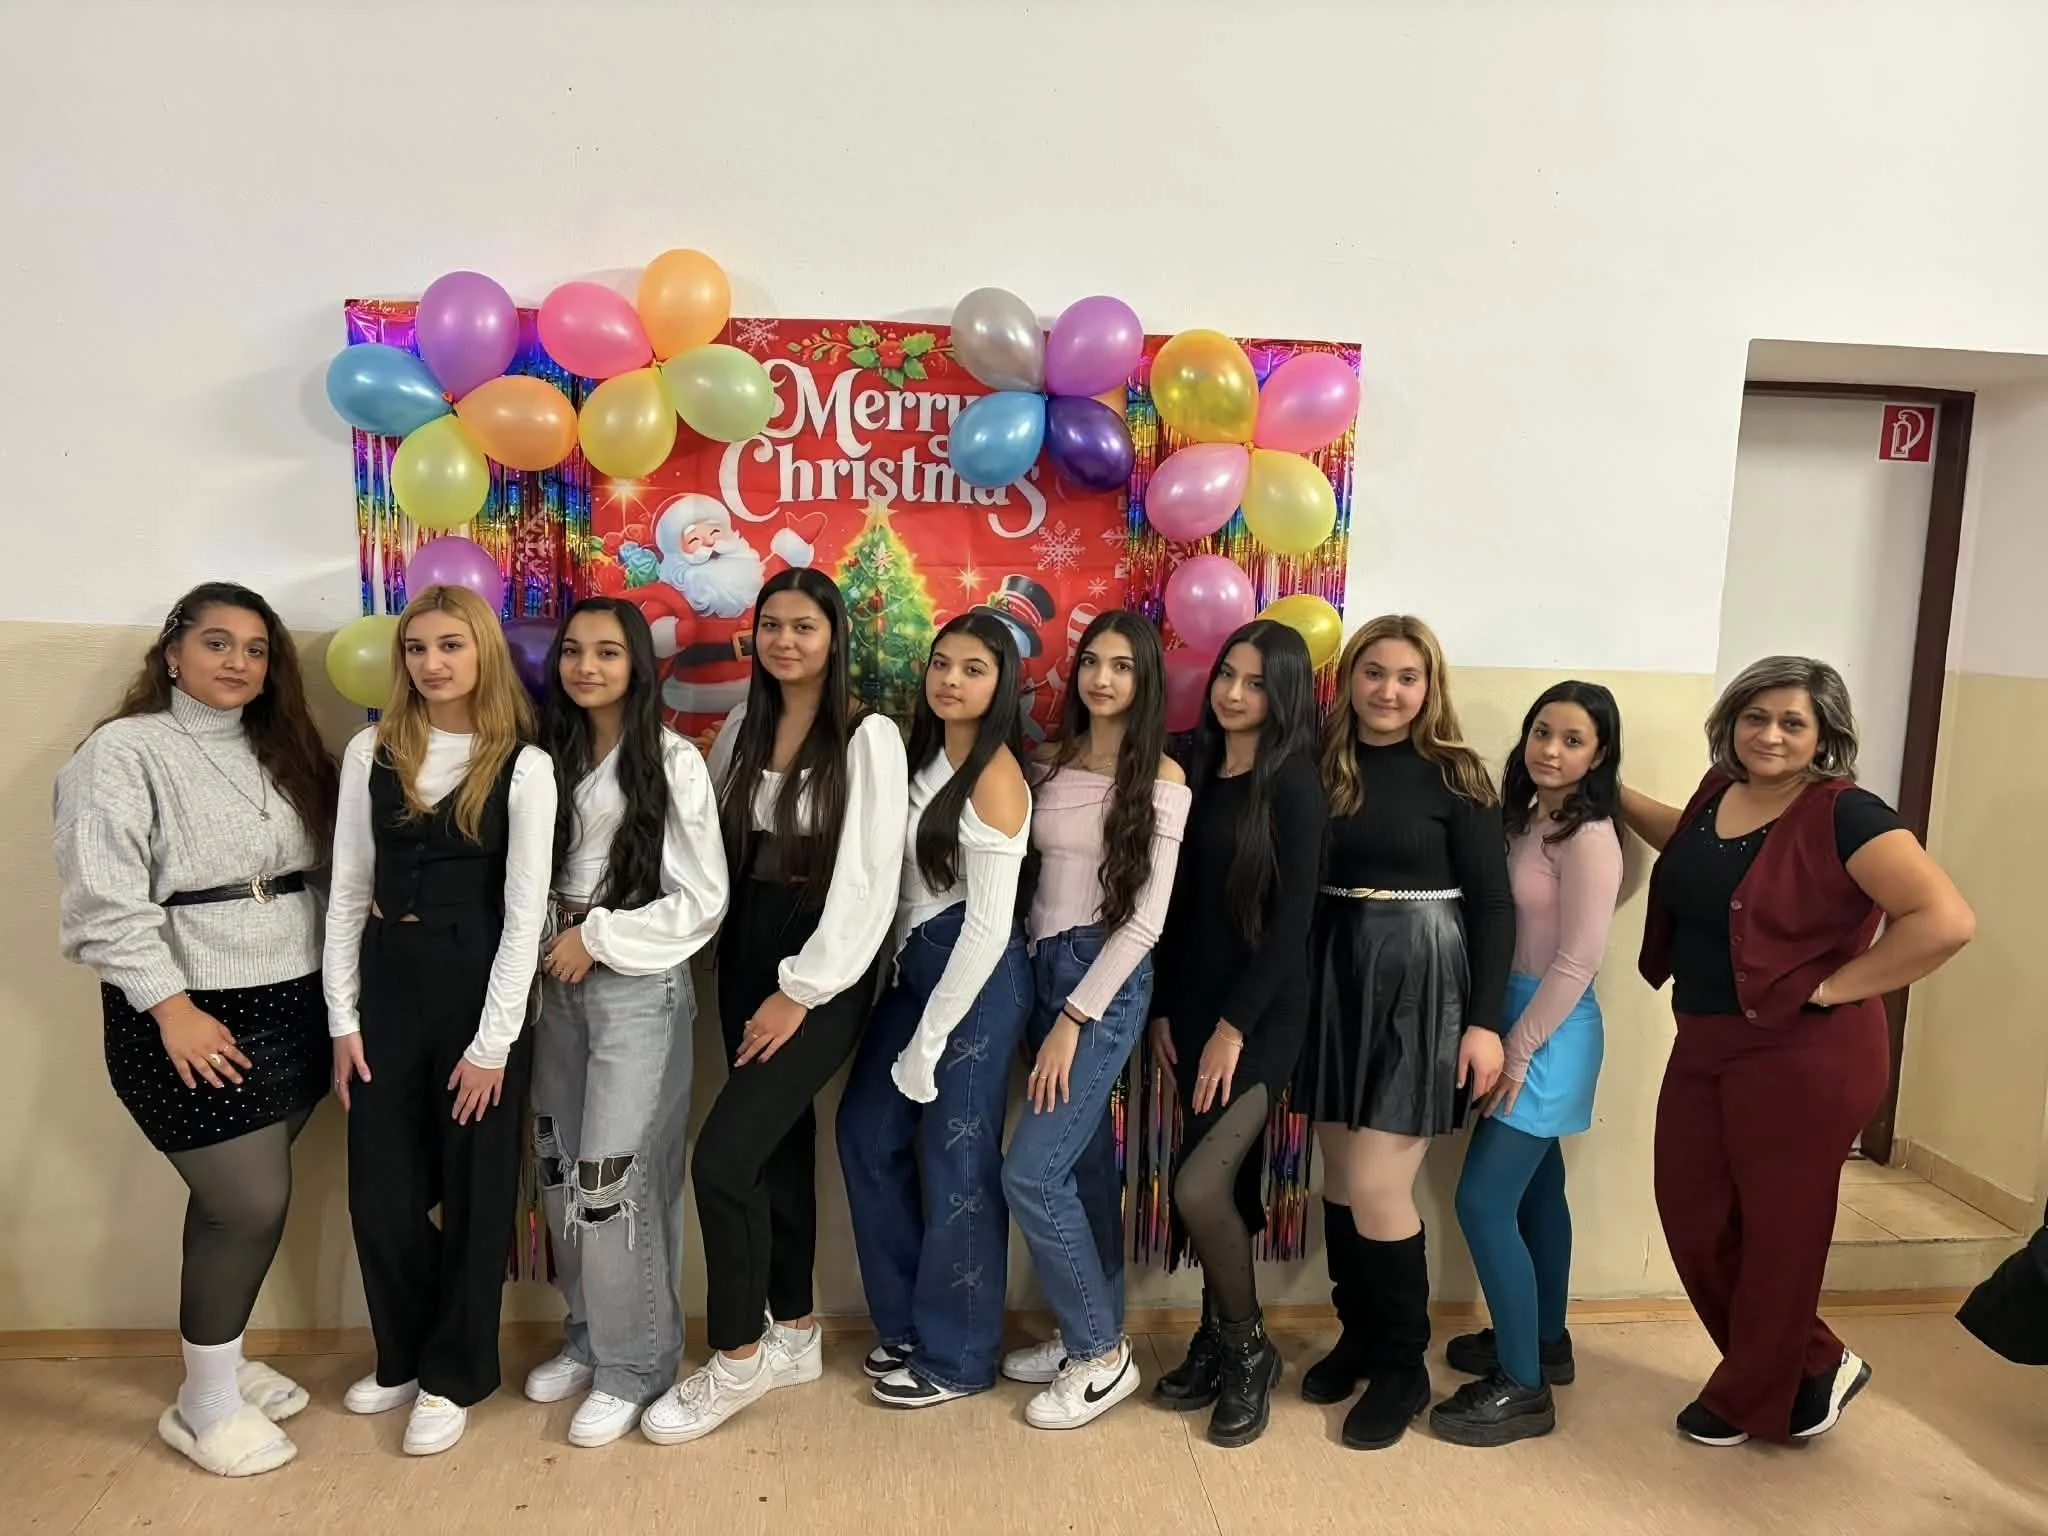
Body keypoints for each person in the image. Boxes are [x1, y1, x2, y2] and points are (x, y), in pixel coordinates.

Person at [1624, 655, 1974, 1447]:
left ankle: (1756, 1396)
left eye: (1792, 722)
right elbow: (1693, 846)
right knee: (1694, 1212)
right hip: (1709, 1038)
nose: (1771, 735)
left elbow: (1944, 919)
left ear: (1825, 735)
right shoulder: (1720, 794)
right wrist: (1605, 788)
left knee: (1781, 1229)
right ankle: (1813, 1361)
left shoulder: (1846, 813)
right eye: (1757, 717)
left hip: (1807, 1054)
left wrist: (1834, 987)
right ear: (1732, 722)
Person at [55, 583, 338, 1478]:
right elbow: (104, 902)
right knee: (246, 1204)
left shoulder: (281, 748)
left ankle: (221, 1364)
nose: (238, 663)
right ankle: (203, 1405)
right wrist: (169, 1007)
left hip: (293, 998)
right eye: (217, 642)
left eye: (256, 650)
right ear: (171, 651)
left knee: (228, 1212)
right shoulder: (122, 752)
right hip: (190, 1009)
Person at [642, 568, 908, 1446]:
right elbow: (709, 860)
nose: (785, 641)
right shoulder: (738, 733)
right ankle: (793, 1326)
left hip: (822, 964)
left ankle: (735, 1354)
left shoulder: (866, 737)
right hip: (744, 951)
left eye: (804, 625)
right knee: (778, 1147)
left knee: (721, 1161)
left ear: (834, 637)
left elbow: (868, 885)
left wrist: (800, 992)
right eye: (772, 626)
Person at [325, 584, 557, 1457]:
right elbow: (349, 891)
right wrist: (343, 1021)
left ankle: (456, 1373)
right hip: (387, 985)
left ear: (482, 653)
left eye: (449, 646)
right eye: (417, 649)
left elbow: (526, 912)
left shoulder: (524, 766)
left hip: (477, 988)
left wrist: (493, 1043)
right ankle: (404, 1354)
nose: (431, 664)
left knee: (474, 1190)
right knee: (380, 1191)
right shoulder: (370, 751)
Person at [1297, 614, 1514, 1452]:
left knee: (1383, 1187)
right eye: (1374, 672)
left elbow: (1493, 906)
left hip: (1422, 981)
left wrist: (1486, 1024)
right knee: (1343, 1178)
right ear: (1349, 678)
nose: (1389, 691)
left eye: (1407, 677)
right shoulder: (1322, 766)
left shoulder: (1458, 777)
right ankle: (1358, 1334)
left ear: (1431, 688)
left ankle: (1402, 1365)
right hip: (1334, 972)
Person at [520, 598, 729, 1447]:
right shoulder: (544, 755)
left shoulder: (671, 762)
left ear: (639, 666)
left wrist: (598, 938)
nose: (587, 667)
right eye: (573, 651)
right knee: (561, 1170)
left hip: (632, 982)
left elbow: (703, 897)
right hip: (549, 978)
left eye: (608, 652)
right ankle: (589, 1335)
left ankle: (637, 1365)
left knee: (614, 1179)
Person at [838, 613, 1033, 1408]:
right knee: (864, 1133)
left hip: (975, 985)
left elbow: (987, 928)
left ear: (1002, 684)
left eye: (974, 669)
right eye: (941, 664)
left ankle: (961, 1356)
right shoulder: (916, 757)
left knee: (959, 1165)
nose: (951, 680)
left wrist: (929, 1038)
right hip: (911, 974)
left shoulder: (996, 775)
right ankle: (912, 1329)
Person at [1002, 610, 1189, 1430]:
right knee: (1078, 1172)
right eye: (1092, 662)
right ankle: (1092, 1327)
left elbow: (1145, 923)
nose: (1103, 679)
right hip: (1041, 968)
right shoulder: (1048, 764)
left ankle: (1102, 1358)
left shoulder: (1163, 779)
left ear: (1146, 681)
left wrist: (1076, 1016)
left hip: (1100, 983)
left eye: (1122, 666)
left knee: (1030, 1174)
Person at [1148, 620, 1326, 1448]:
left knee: (1200, 1187)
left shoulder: (1294, 784)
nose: (1233, 693)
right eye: (1227, 674)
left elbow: (1291, 930)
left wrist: (1231, 1030)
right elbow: (1175, 910)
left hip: (1260, 1016)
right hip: (1188, 1011)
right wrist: (1161, 1012)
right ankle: (1217, 1340)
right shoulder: (1196, 769)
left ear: (1283, 693)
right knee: (1221, 1182)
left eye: (1255, 682)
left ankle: (1249, 1351)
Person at [1433, 681, 1624, 1447]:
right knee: (1540, 1191)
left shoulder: (1592, 837)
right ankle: (1544, 1338)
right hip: (1509, 1014)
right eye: (1542, 732)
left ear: (1599, 754)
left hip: (1550, 1031)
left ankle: (1523, 1386)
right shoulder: (1523, 820)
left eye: (1572, 739)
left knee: (1483, 1203)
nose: (1550, 750)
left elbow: (1578, 961)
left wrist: (1517, 1049)